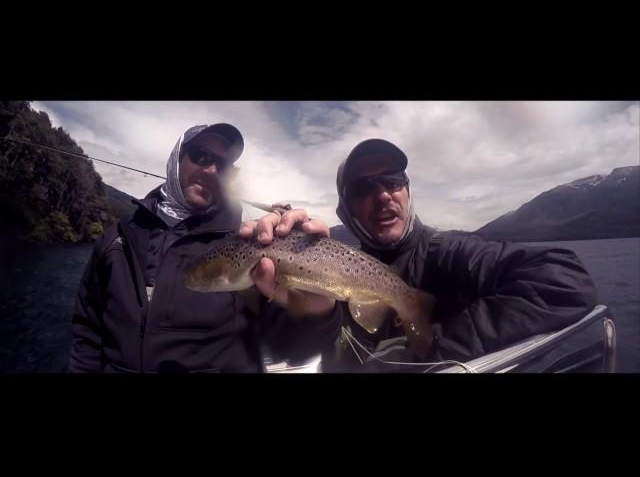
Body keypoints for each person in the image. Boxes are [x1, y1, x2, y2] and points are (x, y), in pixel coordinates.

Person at [253, 138, 599, 372]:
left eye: (392, 180)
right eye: (363, 188)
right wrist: (316, 312)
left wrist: (436, 354)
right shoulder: (325, 264)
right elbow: (293, 352)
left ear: (407, 190)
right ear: (346, 210)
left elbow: (565, 281)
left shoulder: (451, 252)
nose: (384, 195)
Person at [69, 124, 341, 373]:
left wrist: (317, 312)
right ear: (177, 159)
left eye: (222, 166)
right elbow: (87, 333)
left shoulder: (250, 240)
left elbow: (293, 347)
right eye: (200, 156)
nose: (211, 170)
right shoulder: (116, 239)